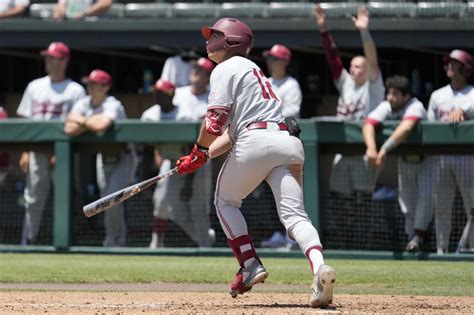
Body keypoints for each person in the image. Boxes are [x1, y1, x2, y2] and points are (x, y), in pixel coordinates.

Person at [176, 17, 335, 308]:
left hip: (257, 141)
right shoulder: (253, 69)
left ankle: (249, 263)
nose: (208, 40)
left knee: (225, 201)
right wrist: (202, 157)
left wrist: (198, 149)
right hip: (286, 142)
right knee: (295, 216)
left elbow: (214, 121)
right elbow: (232, 134)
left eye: (215, 35)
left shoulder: (226, 68)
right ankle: (319, 267)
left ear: (232, 41)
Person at [17, 42, 86, 245]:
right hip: (37, 149)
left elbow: (78, 123)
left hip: (64, 151)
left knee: (64, 198)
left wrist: (64, 149)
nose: (48, 60)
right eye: (47, 57)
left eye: (53, 57)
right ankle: (27, 241)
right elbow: (25, 123)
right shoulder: (34, 86)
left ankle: (64, 242)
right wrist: (24, 151)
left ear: (64, 61)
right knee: (33, 196)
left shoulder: (76, 90)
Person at [314, 5, 385, 199]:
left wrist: (364, 32)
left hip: (363, 150)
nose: (353, 70)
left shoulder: (373, 87)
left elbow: (372, 59)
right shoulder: (346, 82)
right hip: (342, 149)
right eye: (351, 66)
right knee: (338, 200)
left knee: (362, 201)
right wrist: (324, 31)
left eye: (358, 66)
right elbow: (333, 59)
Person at [65, 69, 137, 247]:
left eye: (94, 84)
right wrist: (91, 122)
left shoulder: (113, 104)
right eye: (88, 84)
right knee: (108, 200)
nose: (89, 87)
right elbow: (68, 128)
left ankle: (114, 241)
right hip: (102, 158)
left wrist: (81, 120)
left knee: (111, 200)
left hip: (124, 157)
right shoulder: (84, 103)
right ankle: (116, 240)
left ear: (105, 87)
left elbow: (103, 125)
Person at [363, 75, 433, 252]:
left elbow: (406, 128)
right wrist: (371, 148)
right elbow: (368, 124)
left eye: (395, 94)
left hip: (428, 160)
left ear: (406, 96)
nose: (389, 97)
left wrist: (384, 150)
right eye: (389, 93)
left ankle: (420, 239)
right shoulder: (388, 105)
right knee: (407, 204)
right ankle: (413, 241)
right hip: (405, 160)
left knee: (426, 199)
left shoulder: (415, 105)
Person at [427, 49, 474, 254]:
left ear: (465, 68)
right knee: (442, 206)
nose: (449, 66)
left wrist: (463, 110)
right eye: (448, 63)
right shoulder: (438, 95)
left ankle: (471, 247)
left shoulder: (472, 93)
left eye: (454, 63)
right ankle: (441, 250)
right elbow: (429, 125)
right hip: (442, 158)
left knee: (472, 207)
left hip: (467, 157)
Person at [172, 57, 216, 247]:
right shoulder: (177, 94)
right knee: (171, 206)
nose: (195, 71)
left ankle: (205, 246)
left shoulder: (213, 98)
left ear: (208, 77)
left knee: (200, 206)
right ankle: (204, 238)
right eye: (195, 68)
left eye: (201, 70)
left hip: (202, 156)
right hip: (177, 154)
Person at [141, 79, 177, 248]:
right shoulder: (149, 115)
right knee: (161, 201)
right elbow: (145, 148)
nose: (159, 97)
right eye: (157, 93)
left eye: (163, 94)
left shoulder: (184, 114)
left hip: (185, 162)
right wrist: (146, 173)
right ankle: (157, 239)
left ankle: (204, 239)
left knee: (190, 210)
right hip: (164, 162)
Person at [262, 44, 302, 118]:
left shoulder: (291, 84)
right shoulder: (264, 82)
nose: (270, 62)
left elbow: (292, 111)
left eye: (274, 58)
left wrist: (268, 117)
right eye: (269, 58)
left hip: (285, 127)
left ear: (285, 62)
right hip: (267, 127)